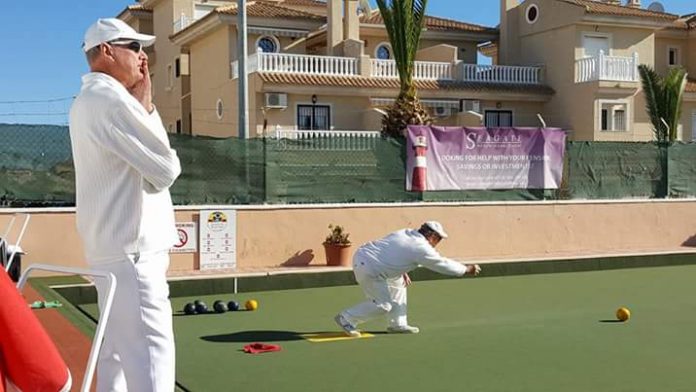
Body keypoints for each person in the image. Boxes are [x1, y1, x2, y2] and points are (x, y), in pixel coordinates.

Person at [69, 18, 181, 392]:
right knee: (151, 360)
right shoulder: (110, 100)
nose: (141, 56)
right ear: (105, 51)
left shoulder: (87, 101)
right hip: (135, 255)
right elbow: (165, 169)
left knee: (116, 355)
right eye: (132, 46)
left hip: (111, 251)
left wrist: (143, 103)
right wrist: (145, 107)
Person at [334, 221, 481, 337]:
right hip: (370, 267)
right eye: (439, 239)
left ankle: (397, 324)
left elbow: (391, 250)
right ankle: (347, 318)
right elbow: (441, 264)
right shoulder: (420, 247)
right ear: (432, 236)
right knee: (383, 305)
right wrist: (466, 269)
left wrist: (400, 270)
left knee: (399, 283)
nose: (437, 243)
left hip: (367, 259)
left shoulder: (405, 233)